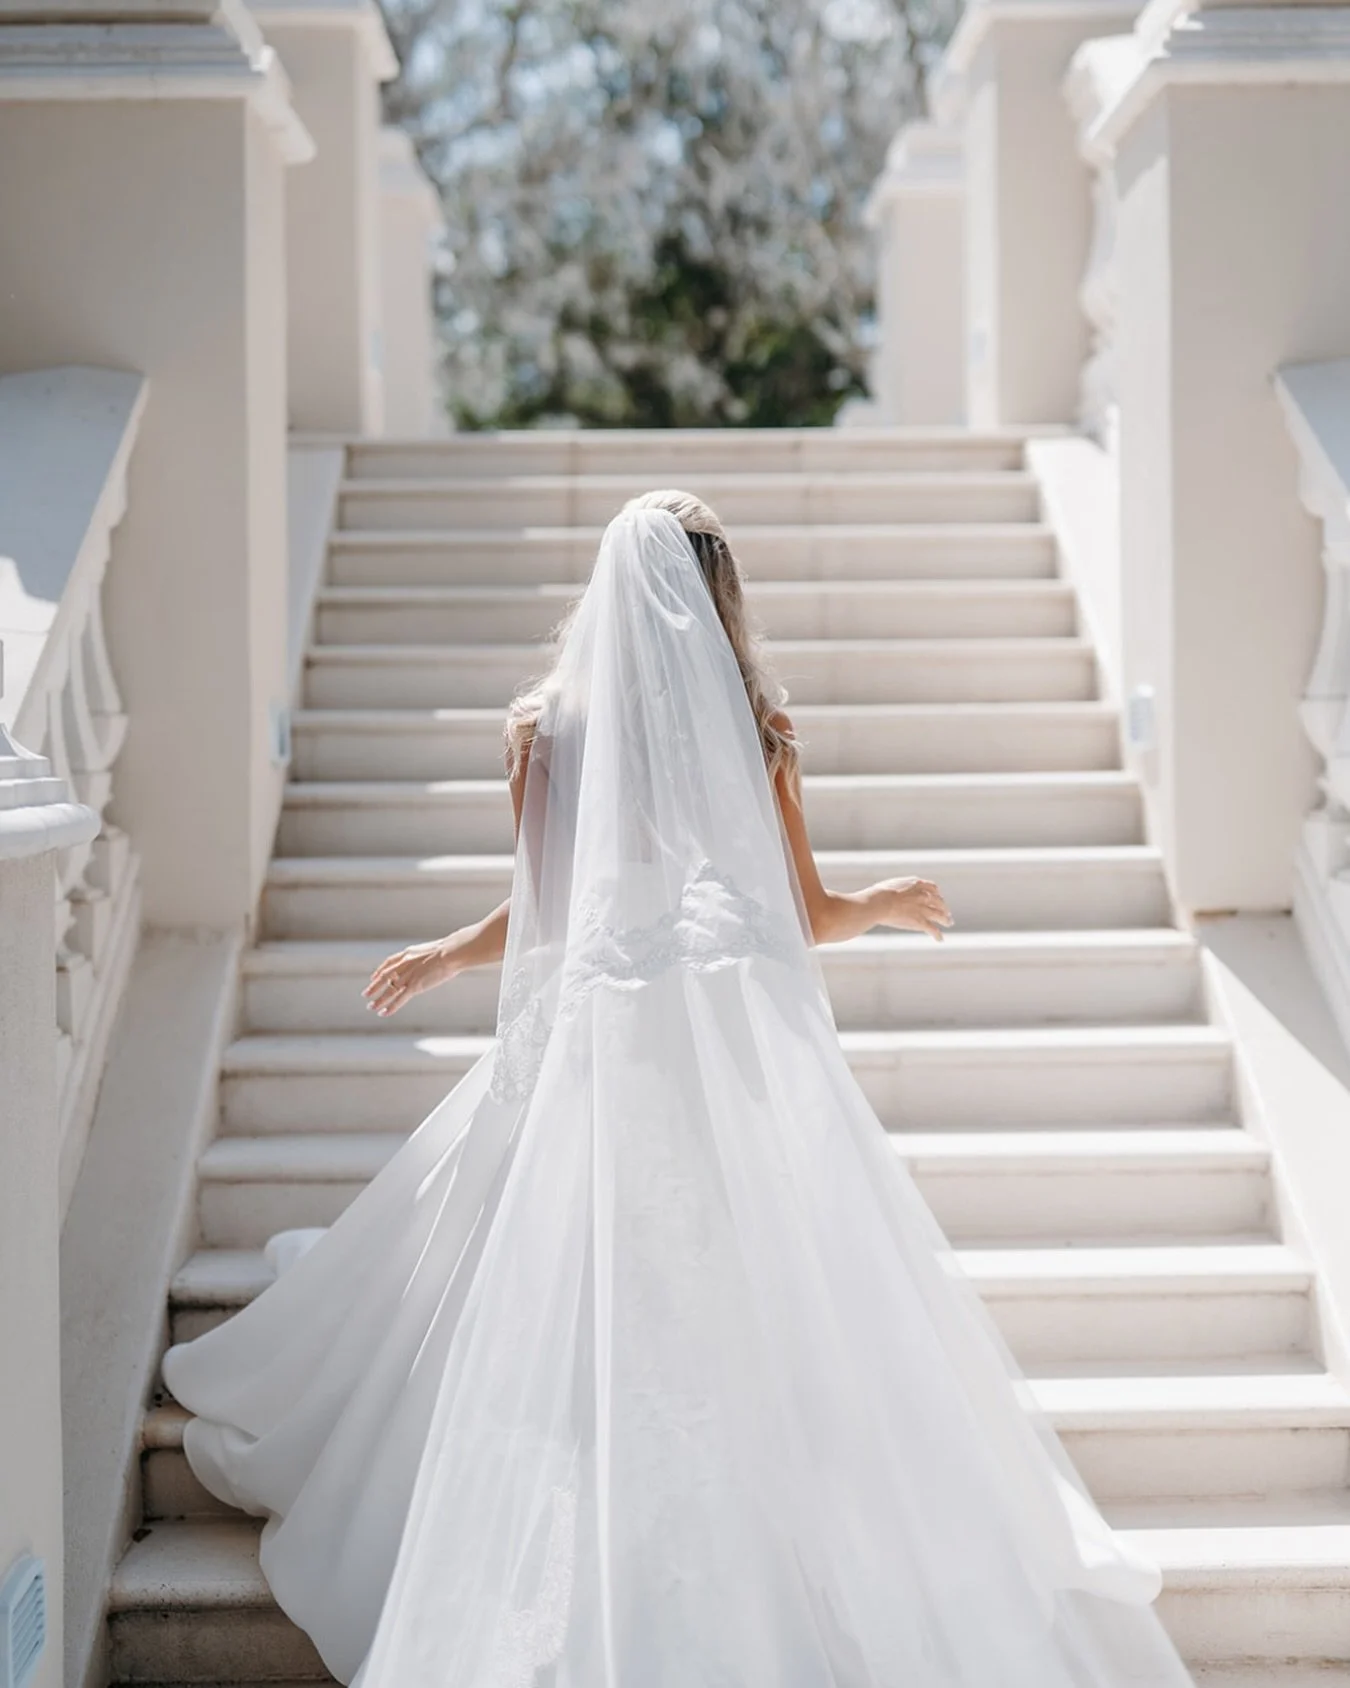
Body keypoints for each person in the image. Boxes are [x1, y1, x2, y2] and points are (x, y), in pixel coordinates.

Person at [163, 491, 1196, 1688]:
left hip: (618, 1055)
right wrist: (881, 903)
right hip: (712, 1066)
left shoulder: (548, 730)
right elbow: (801, 917)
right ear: (719, 589)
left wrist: (453, 950)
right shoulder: (756, 725)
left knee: (597, 1300)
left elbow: (553, 912)